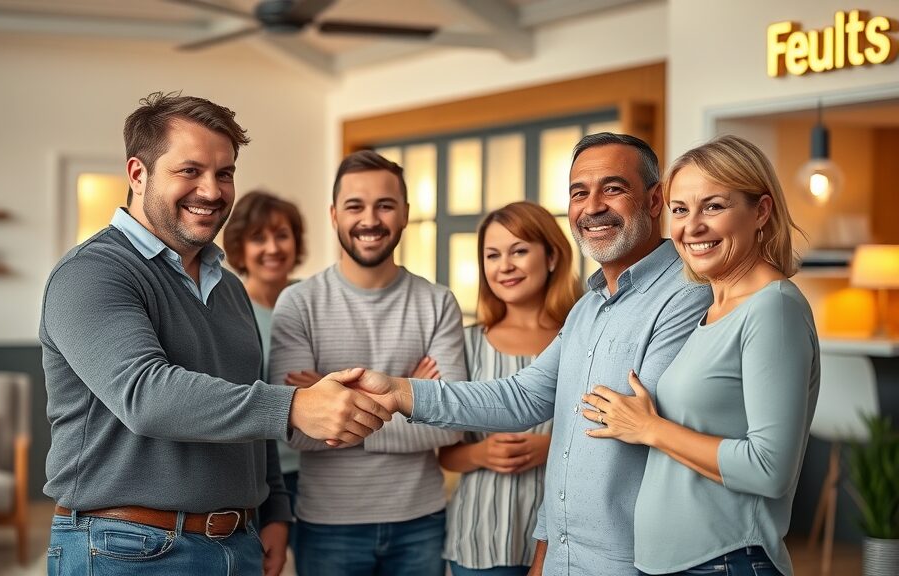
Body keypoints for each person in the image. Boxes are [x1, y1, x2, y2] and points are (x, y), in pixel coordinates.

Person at [39, 92, 391, 576]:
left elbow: (252, 406)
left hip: (239, 543)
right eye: (190, 171)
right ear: (138, 174)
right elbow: (146, 396)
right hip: (124, 549)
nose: (211, 190)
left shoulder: (228, 287)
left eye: (224, 173)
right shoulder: (92, 273)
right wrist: (295, 406)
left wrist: (275, 511)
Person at [349, 133, 714, 576]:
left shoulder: (689, 290)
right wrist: (401, 390)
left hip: (635, 560)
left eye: (613, 188)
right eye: (579, 193)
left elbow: (646, 425)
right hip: (562, 556)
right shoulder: (588, 308)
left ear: (655, 200)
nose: (593, 205)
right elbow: (521, 399)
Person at [580, 135, 820, 576]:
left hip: (726, 561)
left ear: (761, 211)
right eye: (680, 209)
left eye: (713, 206)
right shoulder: (712, 307)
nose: (692, 227)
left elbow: (769, 469)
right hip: (682, 563)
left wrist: (650, 428)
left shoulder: (774, 308)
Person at [269, 150, 467, 576]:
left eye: (385, 205)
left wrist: (332, 401)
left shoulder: (438, 303)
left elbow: (451, 422)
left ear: (405, 215)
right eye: (356, 206)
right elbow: (293, 430)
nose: (370, 219)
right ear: (334, 214)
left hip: (421, 519)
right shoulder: (298, 304)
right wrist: (409, 394)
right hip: (327, 524)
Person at [440, 201, 582, 576]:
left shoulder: (583, 337)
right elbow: (443, 454)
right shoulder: (465, 344)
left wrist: (550, 449)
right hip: (480, 538)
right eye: (492, 255)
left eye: (519, 250)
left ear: (552, 256)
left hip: (568, 541)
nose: (504, 266)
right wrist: (481, 454)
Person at [223, 189, 307, 561]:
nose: (272, 248)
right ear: (240, 248)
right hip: (254, 474)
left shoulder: (311, 301)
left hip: (315, 468)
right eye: (258, 238)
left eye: (282, 235)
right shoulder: (228, 307)